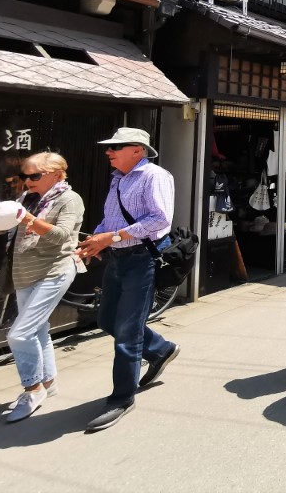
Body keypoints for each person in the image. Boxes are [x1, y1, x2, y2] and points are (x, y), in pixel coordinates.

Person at [75, 128, 179, 432]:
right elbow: (111, 219)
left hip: (141, 260)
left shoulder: (154, 176)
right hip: (117, 258)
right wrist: (97, 238)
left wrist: (114, 236)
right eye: (109, 147)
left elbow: (160, 220)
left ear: (138, 149)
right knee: (107, 319)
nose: (109, 152)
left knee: (128, 333)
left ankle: (122, 398)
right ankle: (161, 349)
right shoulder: (119, 177)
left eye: (116, 147)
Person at [0, 153, 85, 423]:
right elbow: (9, 226)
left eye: (35, 176)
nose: (28, 181)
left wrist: (26, 219)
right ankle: (48, 382)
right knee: (38, 329)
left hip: (54, 271)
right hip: (24, 272)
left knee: (19, 334)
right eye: (26, 176)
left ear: (57, 174)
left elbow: (61, 236)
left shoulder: (70, 199)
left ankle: (32, 389)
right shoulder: (27, 199)